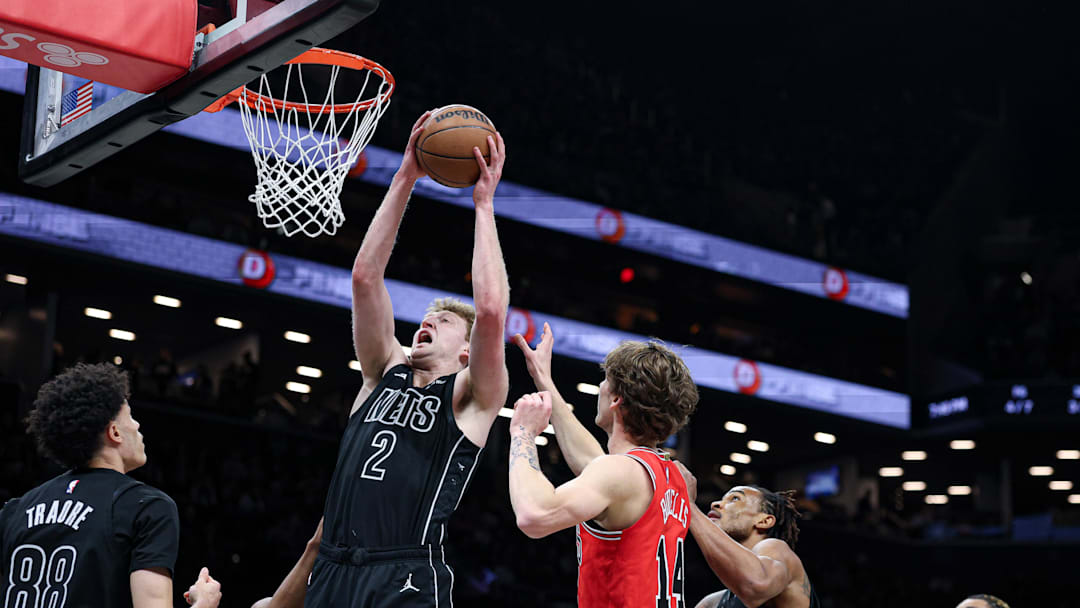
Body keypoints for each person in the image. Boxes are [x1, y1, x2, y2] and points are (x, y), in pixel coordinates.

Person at [305, 109, 509, 607]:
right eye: (426, 318)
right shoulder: (381, 373)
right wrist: (404, 179)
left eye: (443, 321)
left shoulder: (471, 398)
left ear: (467, 349)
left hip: (405, 571)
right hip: (332, 567)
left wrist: (483, 205)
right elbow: (364, 279)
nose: (427, 322)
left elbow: (489, 309)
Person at [0, 362, 220, 608]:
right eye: (131, 417)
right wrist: (205, 604)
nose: (137, 426)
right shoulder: (146, 506)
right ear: (114, 432)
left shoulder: (15, 511)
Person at [508, 324, 699, 607]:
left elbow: (534, 516)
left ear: (616, 398)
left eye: (605, 381)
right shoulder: (676, 476)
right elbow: (594, 463)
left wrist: (522, 433)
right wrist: (543, 378)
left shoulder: (619, 474)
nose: (600, 387)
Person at [674, 463, 820, 608]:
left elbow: (756, 584)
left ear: (764, 521)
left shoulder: (777, 548)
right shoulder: (713, 602)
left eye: (735, 499)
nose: (715, 504)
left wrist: (690, 507)